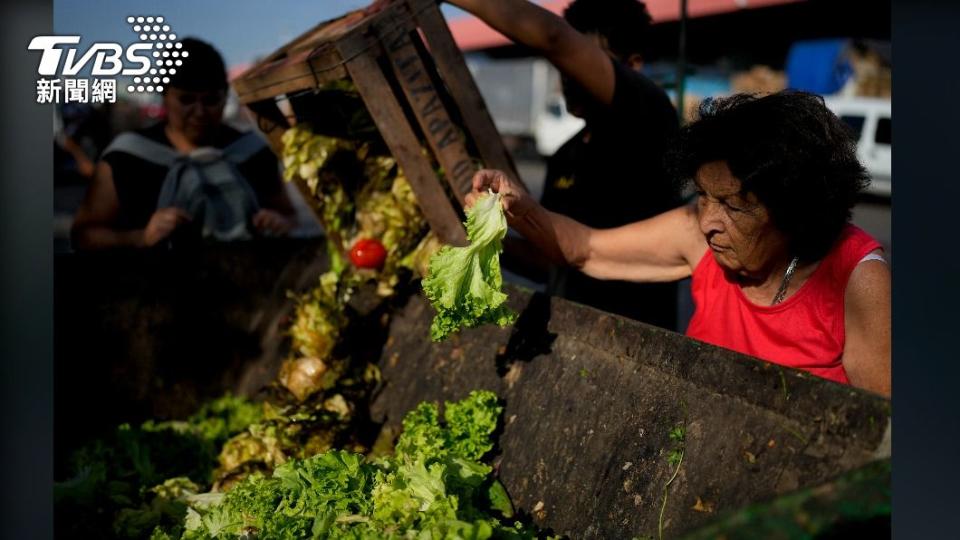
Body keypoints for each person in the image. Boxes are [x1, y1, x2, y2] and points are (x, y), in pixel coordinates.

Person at [465, 91, 891, 397]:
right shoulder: (697, 237)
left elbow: (882, 443)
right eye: (704, 196)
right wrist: (521, 208)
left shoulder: (860, 281)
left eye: (733, 207)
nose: (708, 222)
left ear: (796, 212)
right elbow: (586, 249)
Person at [445, 0, 682, 329]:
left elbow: (553, 38)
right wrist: (479, 238)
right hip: (569, 340)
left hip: (636, 343)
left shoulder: (652, 118)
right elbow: (550, 261)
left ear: (633, 66)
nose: (567, 75)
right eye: (562, 64)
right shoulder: (565, 154)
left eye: (579, 60)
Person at [71, 38, 295, 250]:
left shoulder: (252, 151)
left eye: (210, 100)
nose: (199, 113)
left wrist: (278, 222)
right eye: (186, 100)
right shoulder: (126, 158)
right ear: (164, 94)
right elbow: (83, 235)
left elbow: (289, 215)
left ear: (226, 96)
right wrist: (141, 237)